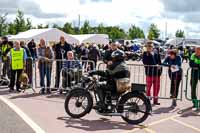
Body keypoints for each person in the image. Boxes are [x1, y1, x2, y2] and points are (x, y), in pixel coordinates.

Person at [142, 41, 162, 105]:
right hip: (149, 74)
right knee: (148, 88)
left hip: (157, 74)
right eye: (148, 46)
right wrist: (155, 65)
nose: (149, 47)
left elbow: (160, 62)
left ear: (153, 47)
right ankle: (147, 100)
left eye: (150, 46)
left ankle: (155, 100)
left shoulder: (156, 53)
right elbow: (145, 62)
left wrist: (159, 69)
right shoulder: (145, 54)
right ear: (146, 47)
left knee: (156, 88)